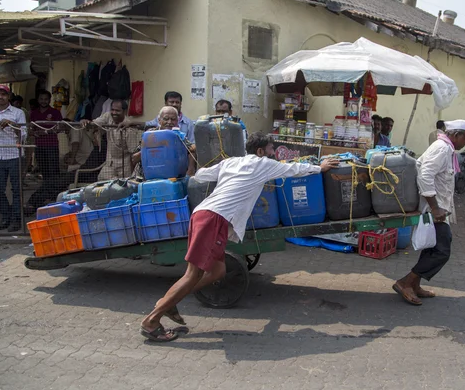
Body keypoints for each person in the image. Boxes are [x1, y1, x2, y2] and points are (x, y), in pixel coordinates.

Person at [139, 132, 340, 341]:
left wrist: (192, 170)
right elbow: (293, 169)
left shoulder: (231, 162)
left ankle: (170, 302)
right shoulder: (263, 163)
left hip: (203, 214)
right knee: (193, 275)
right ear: (261, 151)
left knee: (218, 271)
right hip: (213, 218)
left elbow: (202, 174)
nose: (274, 153)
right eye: (272, 149)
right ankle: (152, 321)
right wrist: (320, 167)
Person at [392, 119, 465, 306]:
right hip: (432, 209)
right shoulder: (442, 148)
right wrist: (435, 207)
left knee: (432, 247)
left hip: (439, 208)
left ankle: (415, 284)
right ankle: (405, 282)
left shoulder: (446, 148)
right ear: (456, 135)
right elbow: (425, 174)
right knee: (442, 251)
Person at [0, 85, 27, 232]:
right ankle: (6, 217)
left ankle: (16, 220)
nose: (1, 97)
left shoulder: (18, 112)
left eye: (4, 94)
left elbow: (24, 134)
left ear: (9, 96)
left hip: (14, 155)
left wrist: (12, 125)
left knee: (16, 189)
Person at [81, 100, 140, 180]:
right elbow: (94, 124)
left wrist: (132, 176)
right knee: (101, 181)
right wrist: (86, 122)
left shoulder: (129, 128)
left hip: (124, 167)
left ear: (124, 111)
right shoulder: (108, 116)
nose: (114, 112)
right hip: (109, 164)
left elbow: (133, 154)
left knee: (120, 188)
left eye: (117, 110)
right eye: (112, 110)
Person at [131, 106, 188, 180]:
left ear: (177, 121)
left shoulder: (179, 135)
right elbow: (134, 158)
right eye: (166, 119)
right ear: (159, 120)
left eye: (173, 119)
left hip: (173, 178)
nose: (169, 122)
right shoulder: (150, 134)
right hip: (148, 178)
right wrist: (149, 151)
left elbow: (191, 149)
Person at [30, 90, 63, 185]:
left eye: (46, 99)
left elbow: (60, 128)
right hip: (39, 146)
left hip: (52, 146)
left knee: (54, 170)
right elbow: (31, 129)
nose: (43, 101)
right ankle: (47, 191)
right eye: (41, 99)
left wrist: (45, 132)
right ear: (38, 100)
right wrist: (34, 133)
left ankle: (55, 192)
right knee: (44, 171)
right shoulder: (33, 113)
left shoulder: (55, 112)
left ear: (49, 100)